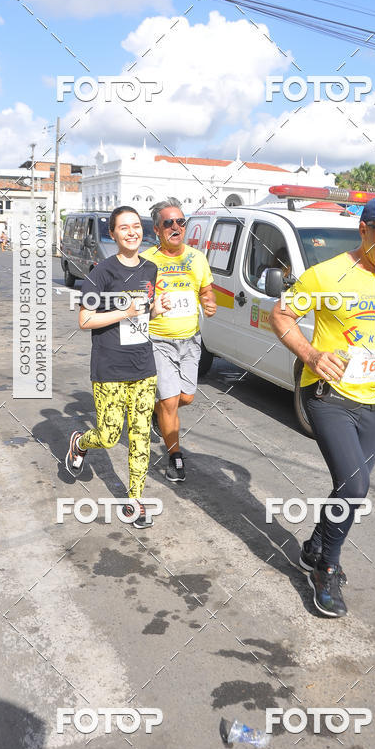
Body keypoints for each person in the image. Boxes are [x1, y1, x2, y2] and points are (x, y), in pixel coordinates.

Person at [270, 198, 375, 618]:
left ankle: (313, 546)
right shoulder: (328, 273)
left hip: (372, 400)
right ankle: (326, 568)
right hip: (327, 396)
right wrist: (310, 354)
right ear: (365, 231)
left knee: (349, 491)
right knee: (356, 488)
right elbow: (281, 314)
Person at [65, 206, 171, 528]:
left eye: (136, 226)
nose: (131, 232)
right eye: (123, 228)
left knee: (139, 435)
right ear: (112, 233)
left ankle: (134, 500)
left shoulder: (151, 269)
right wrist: (125, 312)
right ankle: (80, 442)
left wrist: (156, 309)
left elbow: (145, 312)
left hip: (143, 365)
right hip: (109, 366)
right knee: (110, 435)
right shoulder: (101, 273)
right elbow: (85, 320)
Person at [141, 198, 217, 483]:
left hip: (190, 340)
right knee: (171, 401)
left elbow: (206, 292)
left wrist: (209, 304)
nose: (176, 227)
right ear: (157, 229)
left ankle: (156, 413)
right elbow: (136, 302)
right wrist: (151, 307)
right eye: (168, 223)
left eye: (180, 222)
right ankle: (175, 457)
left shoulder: (197, 258)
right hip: (158, 339)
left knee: (186, 396)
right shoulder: (147, 260)